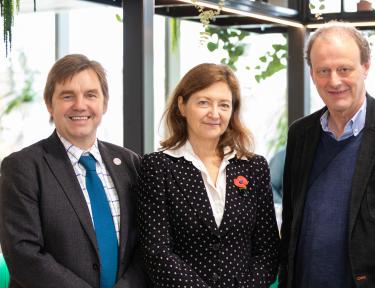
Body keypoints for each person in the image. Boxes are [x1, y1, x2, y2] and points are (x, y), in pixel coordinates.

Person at [279, 21, 375, 288]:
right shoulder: (300, 134)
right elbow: (292, 222)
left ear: (366, 66)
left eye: (344, 69)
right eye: (323, 71)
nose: (334, 80)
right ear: (312, 74)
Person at [0, 54, 147, 287]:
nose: (80, 105)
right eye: (67, 96)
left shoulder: (130, 163)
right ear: (50, 104)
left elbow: (146, 244)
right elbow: (23, 253)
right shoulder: (23, 167)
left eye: (91, 95)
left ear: (104, 103)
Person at [137, 63, 279, 287]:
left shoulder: (253, 167)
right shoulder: (157, 166)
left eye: (224, 105)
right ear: (182, 106)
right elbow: (157, 252)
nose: (214, 114)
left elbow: (267, 249)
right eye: (203, 102)